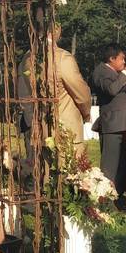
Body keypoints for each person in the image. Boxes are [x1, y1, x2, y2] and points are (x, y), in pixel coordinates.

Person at [17, 24, 91, 157]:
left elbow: (23, 94)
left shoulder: (26, 59)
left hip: (38, 128)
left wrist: (31, 121)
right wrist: (86, 114)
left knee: (42, 174)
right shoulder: (62, 57)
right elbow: (81, 93)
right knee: (70, 173)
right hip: (66, 129)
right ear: (56, 30)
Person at [92, 43, 126, 194]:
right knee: (110, 165)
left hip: (121, 123)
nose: (124, 62)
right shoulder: (100, 72)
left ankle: (118, 194)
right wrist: (125, 75)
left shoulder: (112, 71)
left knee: (121, 163)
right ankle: (105, 197)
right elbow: (111, 89)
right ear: (112, 58)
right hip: (112, 124)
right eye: (121, 59)